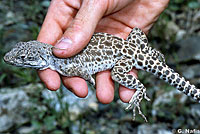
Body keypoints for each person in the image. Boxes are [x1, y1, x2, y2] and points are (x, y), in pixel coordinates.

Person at [37, 0, 169, 104]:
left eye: (23, 58)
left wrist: (90, 80)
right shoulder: (57, 47)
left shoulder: (63, 64)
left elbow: (82, 72)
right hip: (129, 48)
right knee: (135, 31)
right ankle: (147, 53)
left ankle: (140, 89)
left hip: (127, 56)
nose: (17, 61)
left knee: (117, 75)